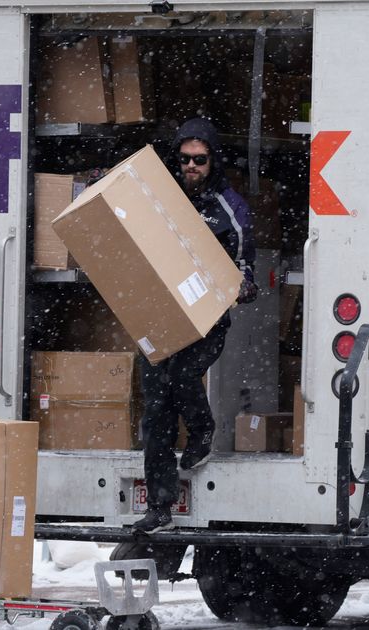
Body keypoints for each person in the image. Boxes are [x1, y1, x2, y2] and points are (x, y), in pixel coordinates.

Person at [133, 118, 258, 534]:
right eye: (185, 159)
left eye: (199, 159)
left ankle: (202, 431)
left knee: (182, 376)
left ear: (213, 160)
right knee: (156, 409)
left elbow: (245, 269)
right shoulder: (161, 198)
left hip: (207, 321)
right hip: (160, 316)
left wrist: (243, 286)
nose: (191, 166)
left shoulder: (230, 208)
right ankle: (160, 507)